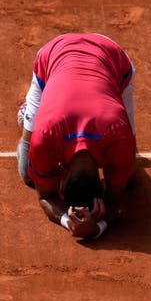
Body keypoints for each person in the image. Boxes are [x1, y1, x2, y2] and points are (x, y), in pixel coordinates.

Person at [16, 33, 137, 240]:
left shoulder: (118, 135)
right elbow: (115, 203)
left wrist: (93, 227)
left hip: (113, 60)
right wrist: (86, 225)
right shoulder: (45, 135)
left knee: (131, 178)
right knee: (28, 172)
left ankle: (31, 116)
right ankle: (26, 111)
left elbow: (47, 197)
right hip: (53, 57)